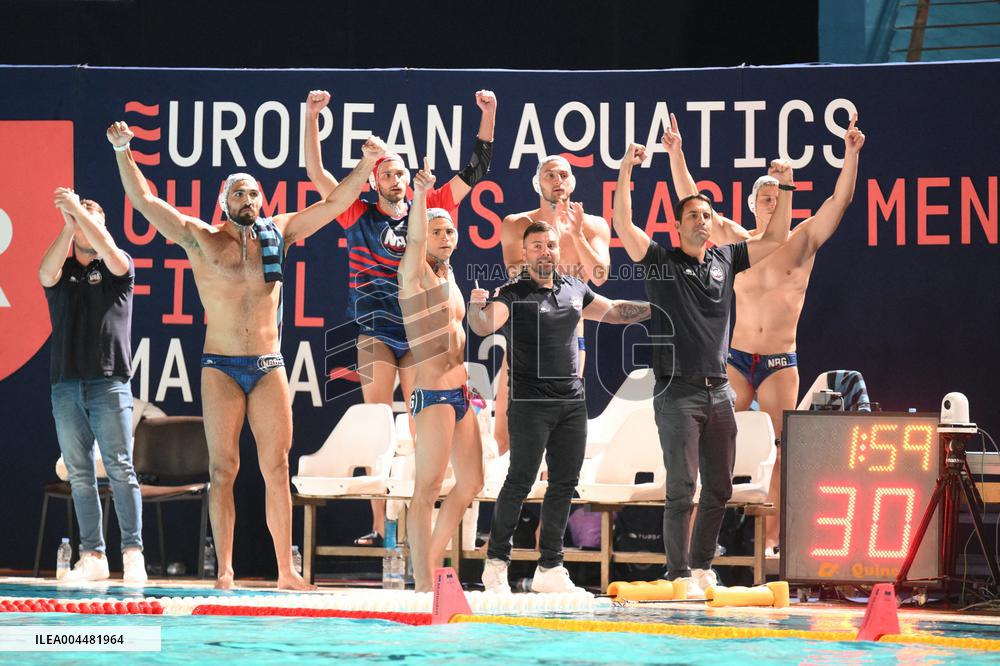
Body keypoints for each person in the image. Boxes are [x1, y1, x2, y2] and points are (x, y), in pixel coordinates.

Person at [106, 121, 385, 589]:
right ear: (224, 202)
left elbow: (335, 204)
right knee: (223, 469)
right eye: (239, 194)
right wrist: (122, 151)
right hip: (221, 367)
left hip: (269, 364)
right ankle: (227, 572)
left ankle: (285, 571)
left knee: (277, 467)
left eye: (254, 194)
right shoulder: (201, 238)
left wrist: (367, 164)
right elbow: (146, 203)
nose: (248, 201)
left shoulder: (282, 232)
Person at [662, 112, 866, 555]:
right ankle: (702, 542)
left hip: (778, 364)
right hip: (735, 359)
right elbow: (690, 200)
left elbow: (841, 200)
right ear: (754, 204)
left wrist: (851, 154)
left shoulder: (804, 240)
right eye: (765, 199)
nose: (772, 205)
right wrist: (676, 153)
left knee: (781, 448)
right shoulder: (737, 244)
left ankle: (772, 542)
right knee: (709, 444)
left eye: (778, 197)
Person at [304, 89, 496, 547]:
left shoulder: (429, 210)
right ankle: (379, 523)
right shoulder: (357, 213)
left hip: (420, 333)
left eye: (400, 173)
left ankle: (420, 514)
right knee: (375, 420)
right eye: (386, 172)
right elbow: (316, 172)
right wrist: (311, 118)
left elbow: (477, 169)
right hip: (375, 328)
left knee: (419, 425)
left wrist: (489, 115)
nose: (395, 179)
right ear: (372, 179)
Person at [613, 142, 792, 596]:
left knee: (718, 488)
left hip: (719, 393)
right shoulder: (659, 260)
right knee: (682, 487)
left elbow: (774, 239)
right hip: (676, 393)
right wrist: (626, 173)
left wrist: (786, 185)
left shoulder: (726, 259)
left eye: (707, 216)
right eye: (692, 215)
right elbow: (622, 224)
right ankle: (677, 575)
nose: (701, 221)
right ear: (677, 225)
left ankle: (701, 567)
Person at [469, 221, 649, 593]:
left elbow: (614, 311)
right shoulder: (512, 293)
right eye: (536, 246)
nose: (545, 251)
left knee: (564, 484)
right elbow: (485, 325)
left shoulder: (573, 288)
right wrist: (475, 307)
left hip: (570, 402)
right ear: (524, 252)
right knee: (519, 481)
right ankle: (497, 564)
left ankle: (550, 567)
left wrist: (664, 306)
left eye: (550, 245)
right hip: (529, 403)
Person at [39, 189, 146, 583]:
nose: (84, 225)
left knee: (120, 467)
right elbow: (43, 274)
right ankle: (93, 556)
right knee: (80, 473)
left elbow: (110, 252)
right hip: (65, 385)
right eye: (78, 220)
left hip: (108, 382)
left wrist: (82, 218)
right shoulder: (63, 270)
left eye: (93, 220)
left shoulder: (120, 267)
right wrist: (69, 225)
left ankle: (132, 552)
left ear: (103, 229)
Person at [397, 158, 484, 591]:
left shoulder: (449, 277)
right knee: (426, 488)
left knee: (471, 482)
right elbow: (413, 238)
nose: (446, 236)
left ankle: (430, 562)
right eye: (437, 231)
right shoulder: (412, 276)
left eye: (450, 230)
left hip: (462, 393)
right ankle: (424, 582)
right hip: (431, 396)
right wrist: (421, 193)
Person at [494, 155, 611, 454]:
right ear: (538, 182)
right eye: (550, 175)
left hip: (568, 343)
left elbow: (599, 275)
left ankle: (555, 499)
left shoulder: (593, 226)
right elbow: (519, 276)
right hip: (524, 340)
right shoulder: (516, 224)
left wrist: (575, 234)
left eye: (563, 174)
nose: (557, 180)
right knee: (505, 436)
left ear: (572, 182)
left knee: (559, 440)